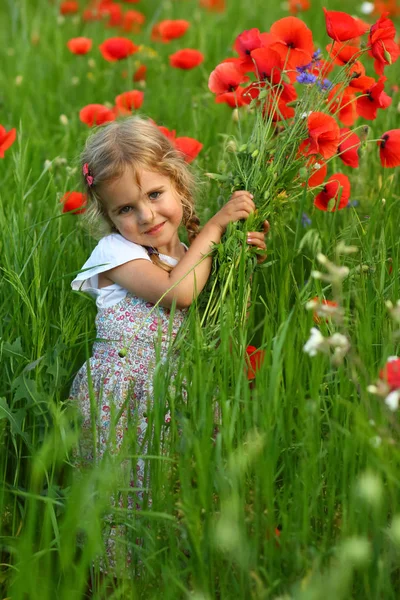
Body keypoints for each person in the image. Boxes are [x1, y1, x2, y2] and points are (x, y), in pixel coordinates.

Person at [69, 116, 269, 579]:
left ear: (178, 182)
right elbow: (178, 294)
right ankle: (115, 580)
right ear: (107, 216)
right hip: (123, 396)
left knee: (172, 489)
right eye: (125, 209)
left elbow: (211, 299)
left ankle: (172, 572)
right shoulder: (116, 255)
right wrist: (218, 227)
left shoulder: (185, 249)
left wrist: (241, 254)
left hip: (171, 393)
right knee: (125, 494)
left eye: (155, 195)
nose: (145, 216)